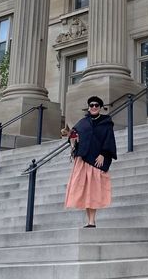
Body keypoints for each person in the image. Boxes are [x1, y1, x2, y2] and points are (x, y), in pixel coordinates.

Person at [62, 96, 117, 227]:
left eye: (96, 105)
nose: (93, 107)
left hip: (96, 160)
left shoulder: (106, 123)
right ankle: (90, 221)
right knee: (86, 190)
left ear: (100, 107)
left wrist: (103, 154)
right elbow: (74, 137)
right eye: (91, 105)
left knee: (93, 190)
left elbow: (109, 140)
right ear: (88, 107)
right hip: (83, 159)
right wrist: (71, 137)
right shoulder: (83, 122)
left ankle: (92, 220)